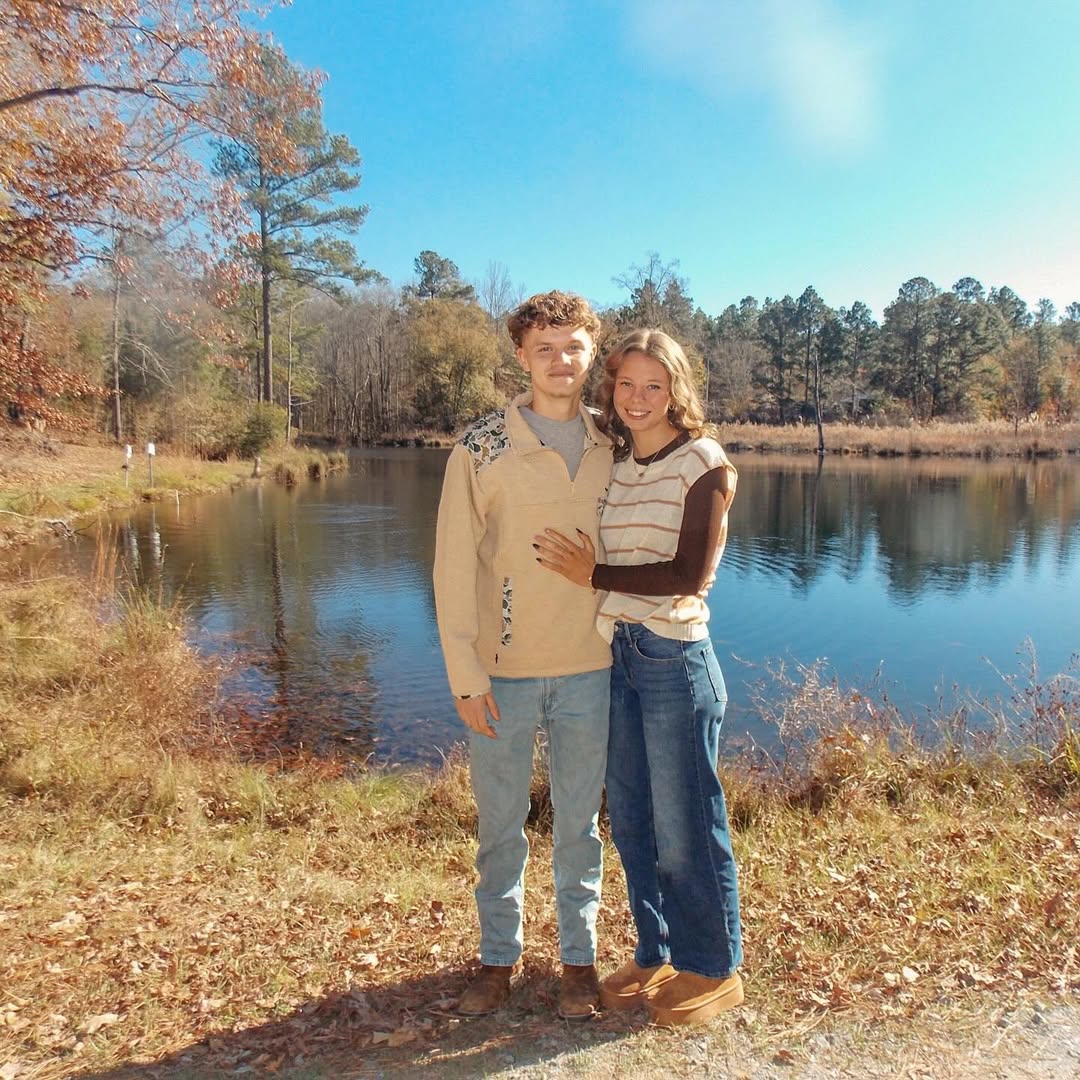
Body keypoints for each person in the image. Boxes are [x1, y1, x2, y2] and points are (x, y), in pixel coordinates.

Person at [533, 328, 744, 1028]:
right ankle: (656, 951)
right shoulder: (620, 462)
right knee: (630, 816)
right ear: (612, 387)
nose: (638, 397)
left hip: (673, 659)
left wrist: (592, 573)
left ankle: (713, 967)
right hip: (620, 654)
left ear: (676, 389)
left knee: (686, 823)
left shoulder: (703, 463)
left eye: (654, 385)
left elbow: (688, 574)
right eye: (626, 383)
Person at [432, 291, 614, 1020]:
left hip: (593, 669)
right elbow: (452, 567)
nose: (560, 360)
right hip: (502, 675)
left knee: (580, 829)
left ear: (592, 352)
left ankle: (579, 963)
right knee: (500, 828)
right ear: (521, 355)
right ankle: (496, 961)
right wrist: (464, 675)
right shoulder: (481, 447)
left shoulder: (615, 443)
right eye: (545, 348)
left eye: (573, 347)